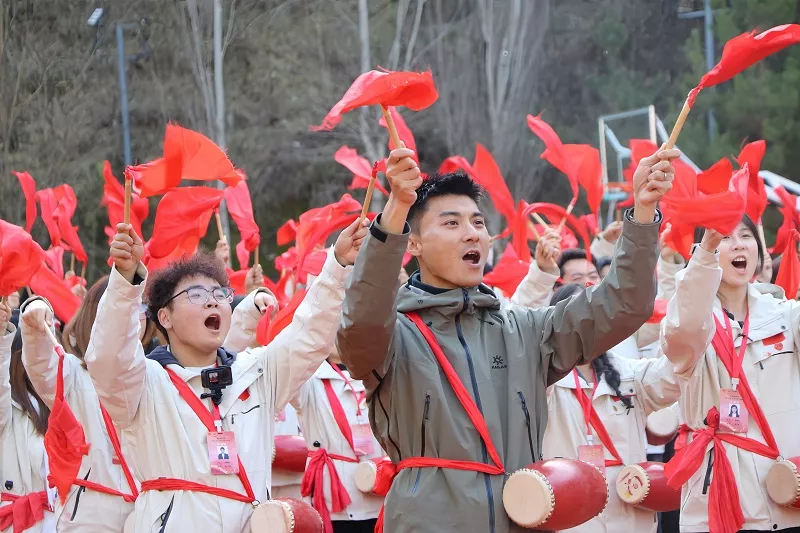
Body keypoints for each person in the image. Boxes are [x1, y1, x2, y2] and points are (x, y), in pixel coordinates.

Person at [337, 143, 678, 533]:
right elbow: (360, 325)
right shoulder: (395, 337)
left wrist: (644, 211)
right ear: (412, 244)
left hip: (523, 519)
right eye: (451, 224)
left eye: (478, 223)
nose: (472, 235)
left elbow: (623, 304)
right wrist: (396, 210)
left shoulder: (527, 331)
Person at [82, 220, 364, 533]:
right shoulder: (143, 383)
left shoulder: (256, 373)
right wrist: (124, 280)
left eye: (219, 293)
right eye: (195, 294)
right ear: (165, 317)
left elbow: (309, 335)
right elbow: (108, 354)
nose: (213, 300)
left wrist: (338, 265)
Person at [661, 214, 800, 533]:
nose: (737, 244)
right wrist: (704, 252)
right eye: (724, 237)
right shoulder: (690, 324)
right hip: (717, 501)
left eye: (746, 236)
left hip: (787, 497)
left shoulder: (786, 316)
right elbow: (685, 327)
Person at [541, 283, 680, 533]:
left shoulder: (631, 374)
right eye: (578, 312)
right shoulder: (542, 380)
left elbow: (677, 370)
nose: (588, 320)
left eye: (596, 313)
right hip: (570, 520)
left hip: (629, 517)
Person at [20, 277, 142, 533]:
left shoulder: (154, 375)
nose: (133, 318)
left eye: (138, 310)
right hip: (89, 518)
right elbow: (41, 363)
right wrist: (35, 311)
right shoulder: (72, 374)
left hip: (147, 514)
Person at [292, 343, 384, 533]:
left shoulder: (380, 375)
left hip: (379, 493)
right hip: (334, 501)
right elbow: (286, 366)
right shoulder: (308, 378)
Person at [0, 300, 55, 533]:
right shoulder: (7, 410)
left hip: (60, 521)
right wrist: (2, 337)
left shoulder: (57, 406)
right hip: (20, 523)